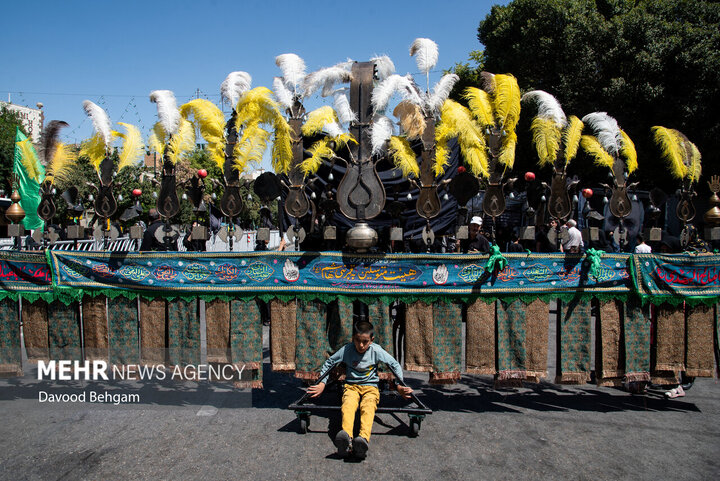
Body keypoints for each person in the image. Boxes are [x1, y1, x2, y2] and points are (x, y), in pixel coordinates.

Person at [307, 321, 412, 460]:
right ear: (353, 338)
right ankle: (347, 439)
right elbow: (329, 362)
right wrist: (322, 383)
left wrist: (399, 385)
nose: (361, 345)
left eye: (365, 341)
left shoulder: (376, 350)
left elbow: (394, 364)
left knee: (368, 408)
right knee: (347, 407)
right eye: (357, 340)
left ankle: (362, 440)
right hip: (351, 386)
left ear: (371, 340)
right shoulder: (347, 350)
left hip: (371, 388)